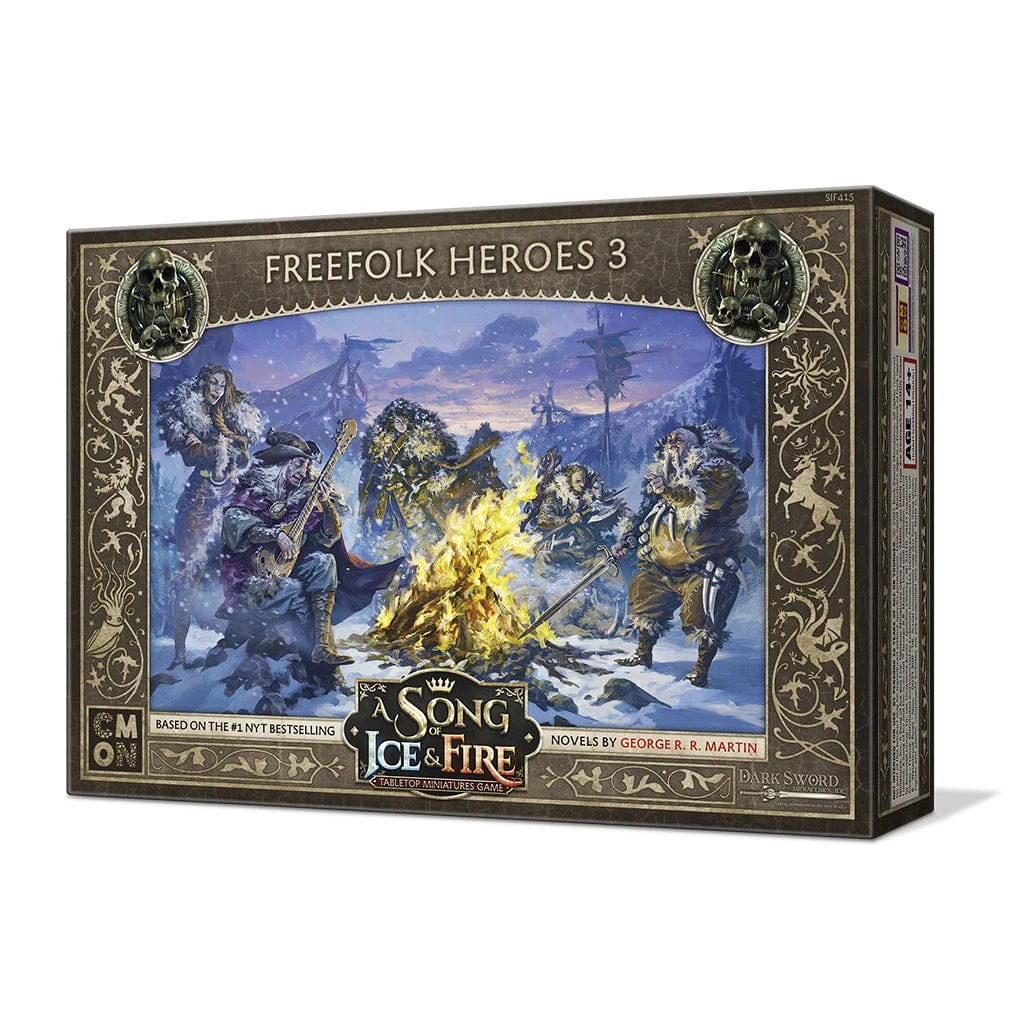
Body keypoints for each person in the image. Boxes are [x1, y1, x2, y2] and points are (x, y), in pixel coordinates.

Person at [219, 430, 402, 665]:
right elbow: (235, 524)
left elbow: (328, 537)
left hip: (290, 568)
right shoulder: (252, 493)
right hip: (253, 579)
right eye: (298, 464)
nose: (303, 471)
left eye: (306, 466)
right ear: (279, 464)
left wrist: (326, 503)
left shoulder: (305, 499)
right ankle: (304, 652)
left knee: (325, 563)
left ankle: (323, 645)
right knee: (293, 591)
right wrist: (275, 535)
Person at [613, 423, 749, 687]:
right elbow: (646, 514)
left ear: (699, 445)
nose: (672, 442)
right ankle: (643, 654)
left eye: (680, 438)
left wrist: (667, 490)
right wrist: (627, 539)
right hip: (659, 564)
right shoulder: (663, 474)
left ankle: (700, 670)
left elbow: (699, 499)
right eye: (670, 439)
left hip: (704, 565)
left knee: (703, 618)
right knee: (644, 604)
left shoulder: (720, 470)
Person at [157, 364, 263, 667]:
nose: (217, 389)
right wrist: (220, 447)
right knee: (187, 573)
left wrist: (224, 447)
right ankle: (179, 655)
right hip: (199, 500)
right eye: (213, 383)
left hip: (229, 494)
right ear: (203, 383)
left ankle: (245, 644)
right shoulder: (187, 414)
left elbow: (242, 457)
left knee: (247, 565)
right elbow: (190, 455)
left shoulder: (234, 415)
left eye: (222, 384)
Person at [358, 398, 502, 558]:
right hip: (388, 505)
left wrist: (425, 484)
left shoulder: (423, 442)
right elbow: (373, 475)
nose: (400, 424)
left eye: (403, 419)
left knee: (424, 542)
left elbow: (440, 467)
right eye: (397, 420)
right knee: (390, 545)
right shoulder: (381, 446)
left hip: (414, 505)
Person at [531, 462, 628, 636]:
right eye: (577, 481)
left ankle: (616, 618)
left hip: (587, 552)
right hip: (561, 552)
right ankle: (552, 615)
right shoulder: (555, 497)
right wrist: (566, 520)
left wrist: (615, 512)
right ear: (568, 480)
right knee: (544, 563)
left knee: (612, 573)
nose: (582, 485)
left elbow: (602, 520)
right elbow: (544, 520)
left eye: (583, 480)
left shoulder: (590, 497)